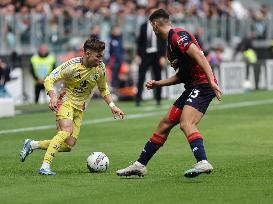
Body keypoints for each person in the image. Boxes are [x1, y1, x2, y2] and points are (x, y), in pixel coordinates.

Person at [117, 9, 222, 178]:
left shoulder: (178, 36)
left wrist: (212, 82)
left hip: (202, 85)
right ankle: (140, 165)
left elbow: (201, 57)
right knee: (165, 124)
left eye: (152, 27)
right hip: (192, 86)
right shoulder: (170, 48)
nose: (153, 30)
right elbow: (183, 75)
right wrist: (159, 83)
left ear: (155, 24)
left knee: (186, 123)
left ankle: (203, 162)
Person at [20, 38, 125, 175]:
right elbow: (49, 79)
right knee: (65, 131)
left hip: (79, 108)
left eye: (102, 55)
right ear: (87, 54)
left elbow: (103, 88)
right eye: (98, 56)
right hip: (65, 101)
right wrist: (53, 96)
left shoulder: (100, 68)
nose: (101, 59)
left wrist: (112, 105)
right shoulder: (71, 66)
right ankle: (45, 166)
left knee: (68, 145)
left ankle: (33, 144)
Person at [135, 8, 167, 106]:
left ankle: (158, 99)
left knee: (158, 78)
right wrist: (137, 55)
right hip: (145, 55)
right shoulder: (143, 26)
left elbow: (163, 42)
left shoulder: (160, 26)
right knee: (141, 77)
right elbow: (140, 42)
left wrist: (163, 56)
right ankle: (138, 99)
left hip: (157, 55)